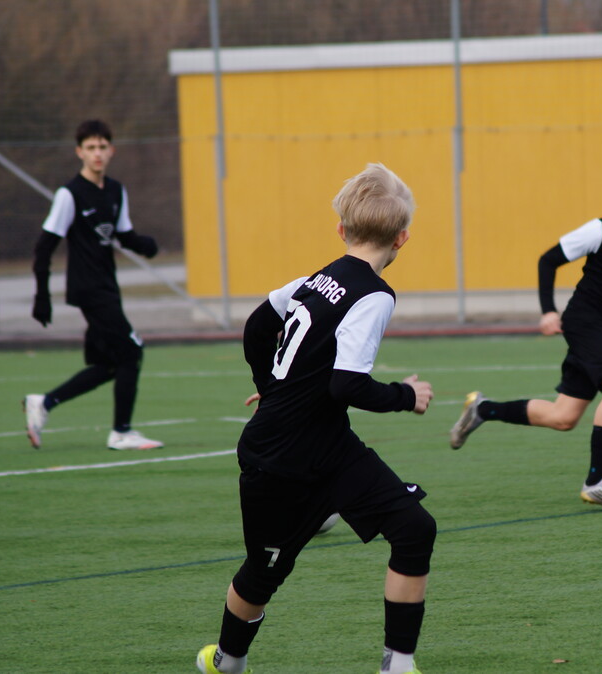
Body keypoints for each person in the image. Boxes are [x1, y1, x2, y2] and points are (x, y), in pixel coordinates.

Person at [195, 164, 437, 674]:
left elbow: (257, 327)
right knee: (265, 571)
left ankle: (398, 665)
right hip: (279, 460)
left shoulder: (315, 278)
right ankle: (228, 661)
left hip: (328, 447)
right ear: (403, 238)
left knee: (414, 528)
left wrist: (273, 387)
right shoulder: (375, 295)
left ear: (341, 230)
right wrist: (406, 395)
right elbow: (347, 385)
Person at [449, 163, 602, 510]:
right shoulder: (601, 230)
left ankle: (483, 409)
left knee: (564, 417)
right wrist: (548, 310)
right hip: (584, 321)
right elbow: (548, 260)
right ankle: (597, 481)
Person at [23, 119, 164, 451]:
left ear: (111, 150)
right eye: (90, 148)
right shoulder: (69, 194)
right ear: (79, 152)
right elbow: (44, 247)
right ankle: (121, 432)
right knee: (132, 350)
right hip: (88, 289)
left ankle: (43, 403)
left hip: (107, 285)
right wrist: (42, 295)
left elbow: (123, 235)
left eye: (102, 147)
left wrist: (146, 245)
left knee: (110, 365)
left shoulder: (115, 191)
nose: (97, 153)